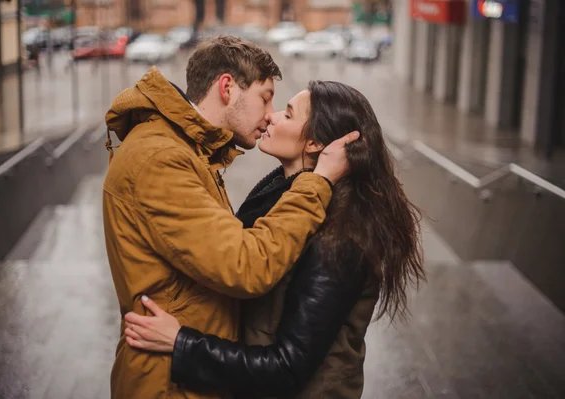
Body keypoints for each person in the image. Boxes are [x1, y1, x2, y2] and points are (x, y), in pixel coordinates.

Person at [122, 81, 426, 398]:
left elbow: (286, 367)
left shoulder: (340, 237)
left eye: (288, 114)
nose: (272, 117)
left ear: (314, 143)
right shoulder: (284, 200)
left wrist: (181, 343)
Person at [103, 37, 357, 399]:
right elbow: (245, 265)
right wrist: (316, 183)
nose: (269, 114)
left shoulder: (188, 151)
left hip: (186, 377)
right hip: (169, 384)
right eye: (265, 97)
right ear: (227, 87)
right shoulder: (160, 159)